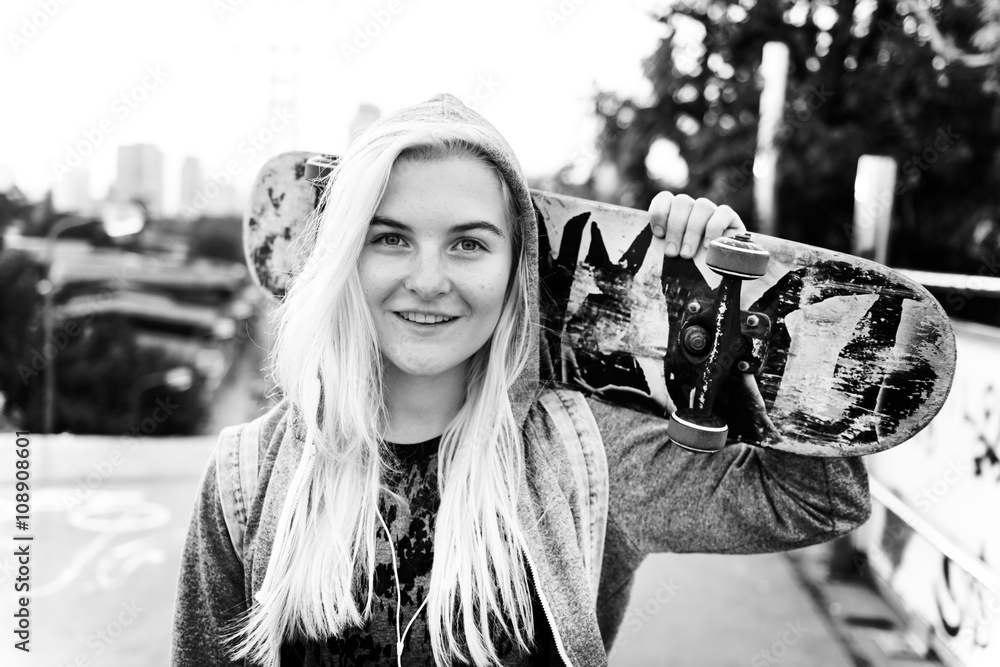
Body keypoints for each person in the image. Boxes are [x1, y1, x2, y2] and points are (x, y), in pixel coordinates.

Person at [170, 93, 871, 667]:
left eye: (469, 243)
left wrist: (737, 328)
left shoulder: (584, 457)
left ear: (516, 273)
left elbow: (818, 499)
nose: (428, 279)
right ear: (345, 257)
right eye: (389, 237)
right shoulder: (249, 474)